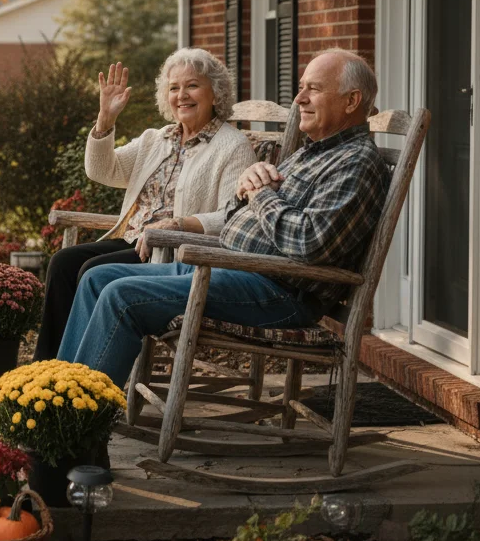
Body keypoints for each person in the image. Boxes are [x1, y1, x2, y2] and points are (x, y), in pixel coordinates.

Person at [55, 49, 389, 385]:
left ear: (351, 101)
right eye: (301, 88)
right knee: (96, 279)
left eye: (313, 89)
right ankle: (52, 395)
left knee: (122, 295)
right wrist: (247, 187)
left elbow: (309, 243)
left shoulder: (356, 163)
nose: (299, 99)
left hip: (276, 289)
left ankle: (78, 418)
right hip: (229, 266)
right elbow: (233, 216)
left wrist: (260, 194)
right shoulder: (310, 152)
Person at [33, 48, 256, 361]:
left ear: (215, 93)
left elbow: (234, 217)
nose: (182, 95)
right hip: (133, 240)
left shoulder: (232, 146)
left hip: (174, 253)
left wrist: (180, 224)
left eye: (192, 85)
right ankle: (43, 370)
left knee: (91, 271)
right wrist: (106, 119)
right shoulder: (157, 139)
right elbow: (102, 170)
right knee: (62, 263)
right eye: (174, 88)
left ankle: (78, 373)